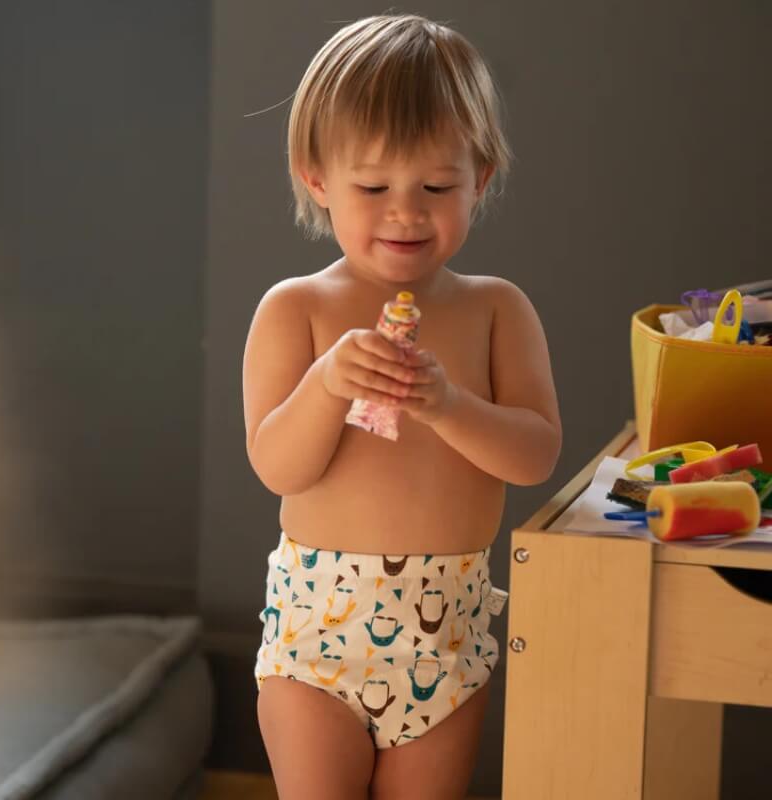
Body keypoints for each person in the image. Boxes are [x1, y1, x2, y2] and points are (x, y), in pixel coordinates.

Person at [243, 13, 562, 799]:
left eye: (437, 187)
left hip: (445, 640)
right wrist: (326, 384)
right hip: (318, 639)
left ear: (480, 177)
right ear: (317, 178)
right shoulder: (297, 310)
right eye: (374, 186)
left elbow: (535, 455)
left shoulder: (497, 311)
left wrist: (448, 403)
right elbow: (276, 465)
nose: (406, 213)